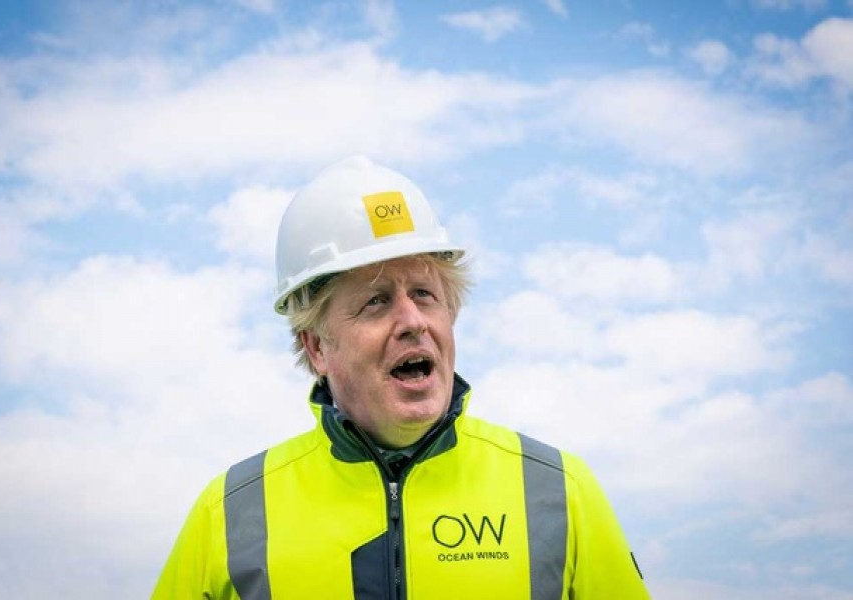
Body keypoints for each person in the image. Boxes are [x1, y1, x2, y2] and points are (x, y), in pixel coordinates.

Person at [152, 156, 650, 599]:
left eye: (425, 294)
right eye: (376, 301)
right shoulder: (228, 516)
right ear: (317, 346)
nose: (413, 320)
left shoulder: (560, 492)